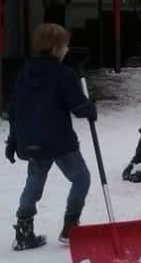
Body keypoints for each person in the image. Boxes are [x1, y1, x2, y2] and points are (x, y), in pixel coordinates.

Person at [5, 23, 97, 250]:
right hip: (59, 142)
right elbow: (78, 107)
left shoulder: (25, 72)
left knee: (34, 184)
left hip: (31, 141)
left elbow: (14, 108)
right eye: (65, 44)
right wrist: (90, 107)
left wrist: (13, 140)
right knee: (81, 178)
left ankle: (24, 231)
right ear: (56, 48)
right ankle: (70, 227)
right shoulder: (63, 75)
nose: (67, 48)